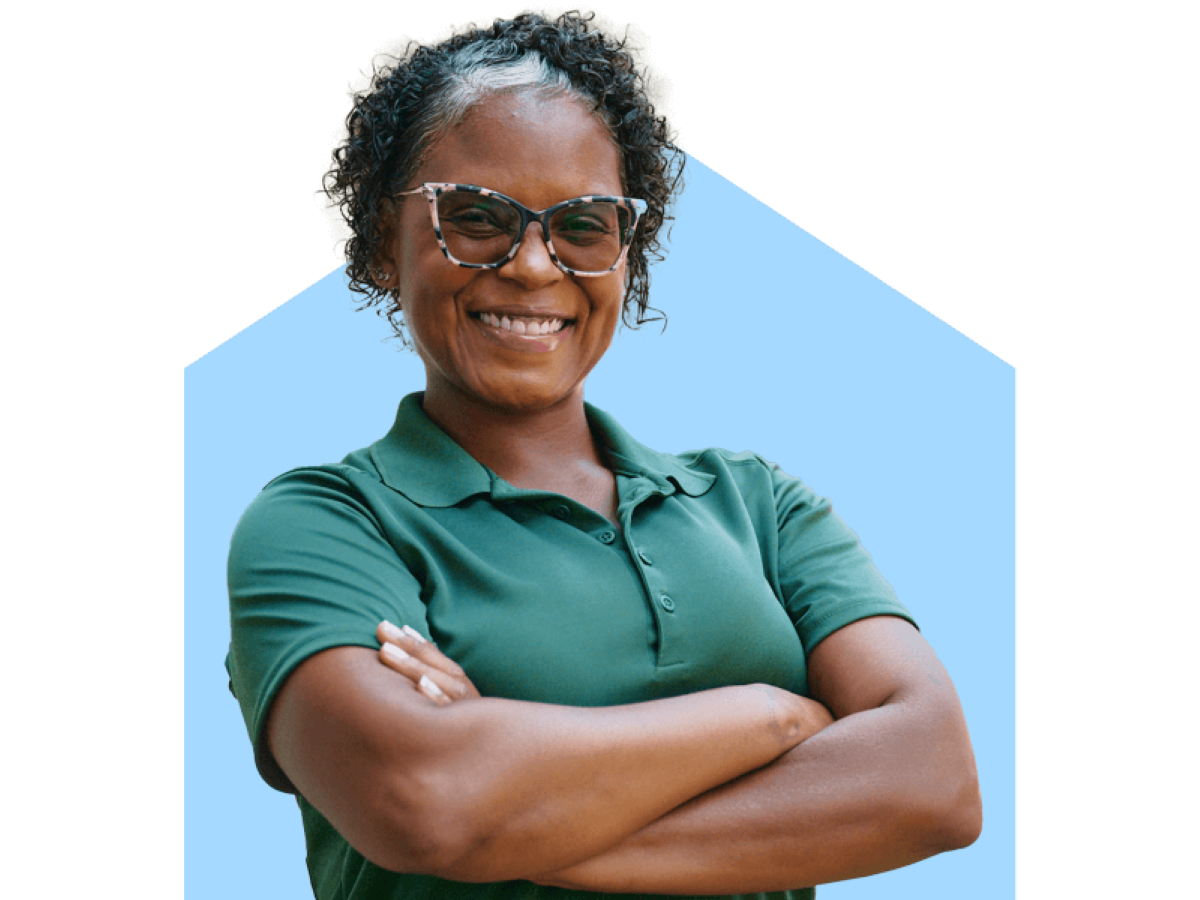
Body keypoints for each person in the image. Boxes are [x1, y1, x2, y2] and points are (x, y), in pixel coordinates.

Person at [225, 9, 982, 899]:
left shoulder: (759, 507)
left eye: (584, 225)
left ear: (628, 253)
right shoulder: (325, 525)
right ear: (387, 244)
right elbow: (420, 799)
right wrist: (772, 716)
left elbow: (936, 782)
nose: (533, 265)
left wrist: (507, 811)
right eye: (476, 217)